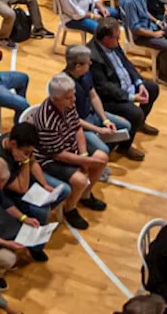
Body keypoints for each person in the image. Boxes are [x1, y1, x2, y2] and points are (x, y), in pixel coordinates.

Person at [29, 73, 107, 230]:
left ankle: (85, 195)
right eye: (69, 98)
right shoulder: (46, 119)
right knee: (80, 180)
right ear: (56, 99)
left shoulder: (68, 104)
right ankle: (70, 209)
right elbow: (58, 154)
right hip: (50, 158)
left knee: (102, 157)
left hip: (68, 145)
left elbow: (77, 127)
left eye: (73, 96)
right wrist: (85, 162)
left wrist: (84, 154)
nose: (74, 100)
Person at [85, 17, 159, 147]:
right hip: (110, 97)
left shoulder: (113, 43)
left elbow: (126, 63)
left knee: (152, 88)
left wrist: (139, 83)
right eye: (117, 37)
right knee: (136, 114)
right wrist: (131, 97)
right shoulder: (92, 56)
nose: (119, 40)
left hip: (126, 85)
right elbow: (104, 87)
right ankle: (125, 147)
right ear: (106, 39)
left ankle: (139, 124)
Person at [64, 45, 139, 160]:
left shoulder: (85, 74)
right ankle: (97, 156)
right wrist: (99, 130)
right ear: (78, 66)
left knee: (126, 126)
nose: (91, 64)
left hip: (92, 115)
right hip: (78, 126)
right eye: (88, 63)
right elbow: (73, 119)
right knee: (103, 149)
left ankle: (100, 154)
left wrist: (105, 119)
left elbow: (93, 96)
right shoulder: (65, 86)